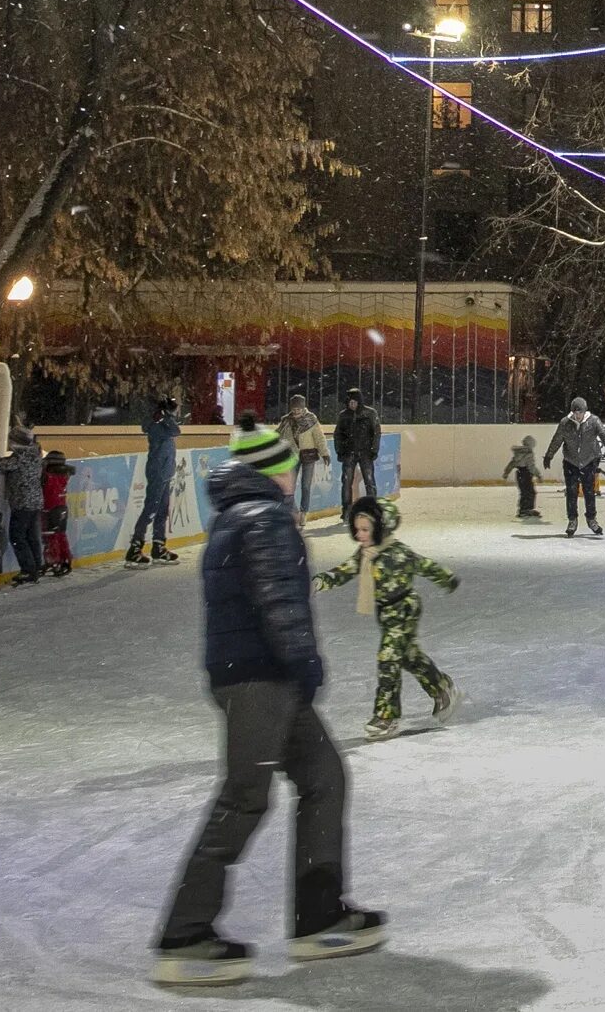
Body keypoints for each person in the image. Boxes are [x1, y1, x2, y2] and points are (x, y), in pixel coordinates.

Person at [154, 426, 382, 986]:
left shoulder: (237, 516)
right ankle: (185, 935)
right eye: (287, 464)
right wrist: (306, 665)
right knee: (244, 798)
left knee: (324, 776)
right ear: (270, 468)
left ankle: (320, 917)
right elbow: (279, 602)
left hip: (255, 675)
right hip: (263, 678)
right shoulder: (265, 517)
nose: (294, 471)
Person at [313, 496, 459, 742]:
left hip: (404, 608)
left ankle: (386, 717)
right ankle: (442, 688)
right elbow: (344, 571)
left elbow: (426, 565)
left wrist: (447, 578)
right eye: (357, 530)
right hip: (386, 612)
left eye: (365, 530)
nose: (359, 535)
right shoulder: (366, 553)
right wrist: (321, 581)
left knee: (388, 659)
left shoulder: (399, 553)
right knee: (409, 657)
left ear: (381, 528)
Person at [542, 396, 605, 538]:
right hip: (571, 462)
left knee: (589, 492)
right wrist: (549, 455)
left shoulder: (593, 421)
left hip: (589, 461)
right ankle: (572, 520)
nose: (577, 415)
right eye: (575, 412)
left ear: (584, 411)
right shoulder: (565, 423)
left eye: (579, 412)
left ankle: (591, 519)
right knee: (571, 493)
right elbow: (557, 440)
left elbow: (604, 435)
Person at [129, 396, 184, 568]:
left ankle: (158, 546)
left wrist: (165, 415)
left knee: (162, 511)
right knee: (151, 509)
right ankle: (135, 549)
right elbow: (176, 430)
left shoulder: (162, 423)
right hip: (158, 471)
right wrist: (165, 416)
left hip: (165, 471)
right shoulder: (158, 426)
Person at [0, 424, 47, 585]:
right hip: (36, 501)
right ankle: (37, 565)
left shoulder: (19, 458)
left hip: (22, 502)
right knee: (31, 536)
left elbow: (2, 465)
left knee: (17, 536)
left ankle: (28, 570)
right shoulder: (36, 455)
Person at [332, 388, 382, 511]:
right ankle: (347, 509)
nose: (352, 404)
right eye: (350, 402)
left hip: (366, 453)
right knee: (346, 481)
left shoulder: (370, 413)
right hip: (349, 453)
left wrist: (374, 450)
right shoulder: (343, 415)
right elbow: (338, 434)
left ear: (360, 402)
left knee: (369, 481)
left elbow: (376, 432)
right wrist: (340, 451)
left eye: (355, 402)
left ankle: (372, 507)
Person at [282, 392, 329, 521]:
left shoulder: (311, 419)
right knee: (289, 486)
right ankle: (294, 511)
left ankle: (304, 512)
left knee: (306, 485)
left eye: (298, 409)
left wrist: (324, 453)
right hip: (292, 456)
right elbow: (278, 436)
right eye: (294, 409)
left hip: (308, 455)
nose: (296, 412)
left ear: (303, 408)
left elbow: (319, 437)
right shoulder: (286, 421)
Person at [41, 449, 76, 577]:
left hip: (50, 509)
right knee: (60, 534)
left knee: (51, 537)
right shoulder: (65, 474)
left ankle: (54, 560)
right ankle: (65, 559)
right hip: (62, 508)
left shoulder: (49, 476)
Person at [502, 435, 543, 521]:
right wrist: (538, 475)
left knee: (524, 492)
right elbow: (531, 467)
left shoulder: (518, 453)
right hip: (526, 474)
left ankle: (523, 509)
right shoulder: (529, 453)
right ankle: (527, 509)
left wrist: (506, 472)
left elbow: (512, 463)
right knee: (530, 492)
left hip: (519, 474)